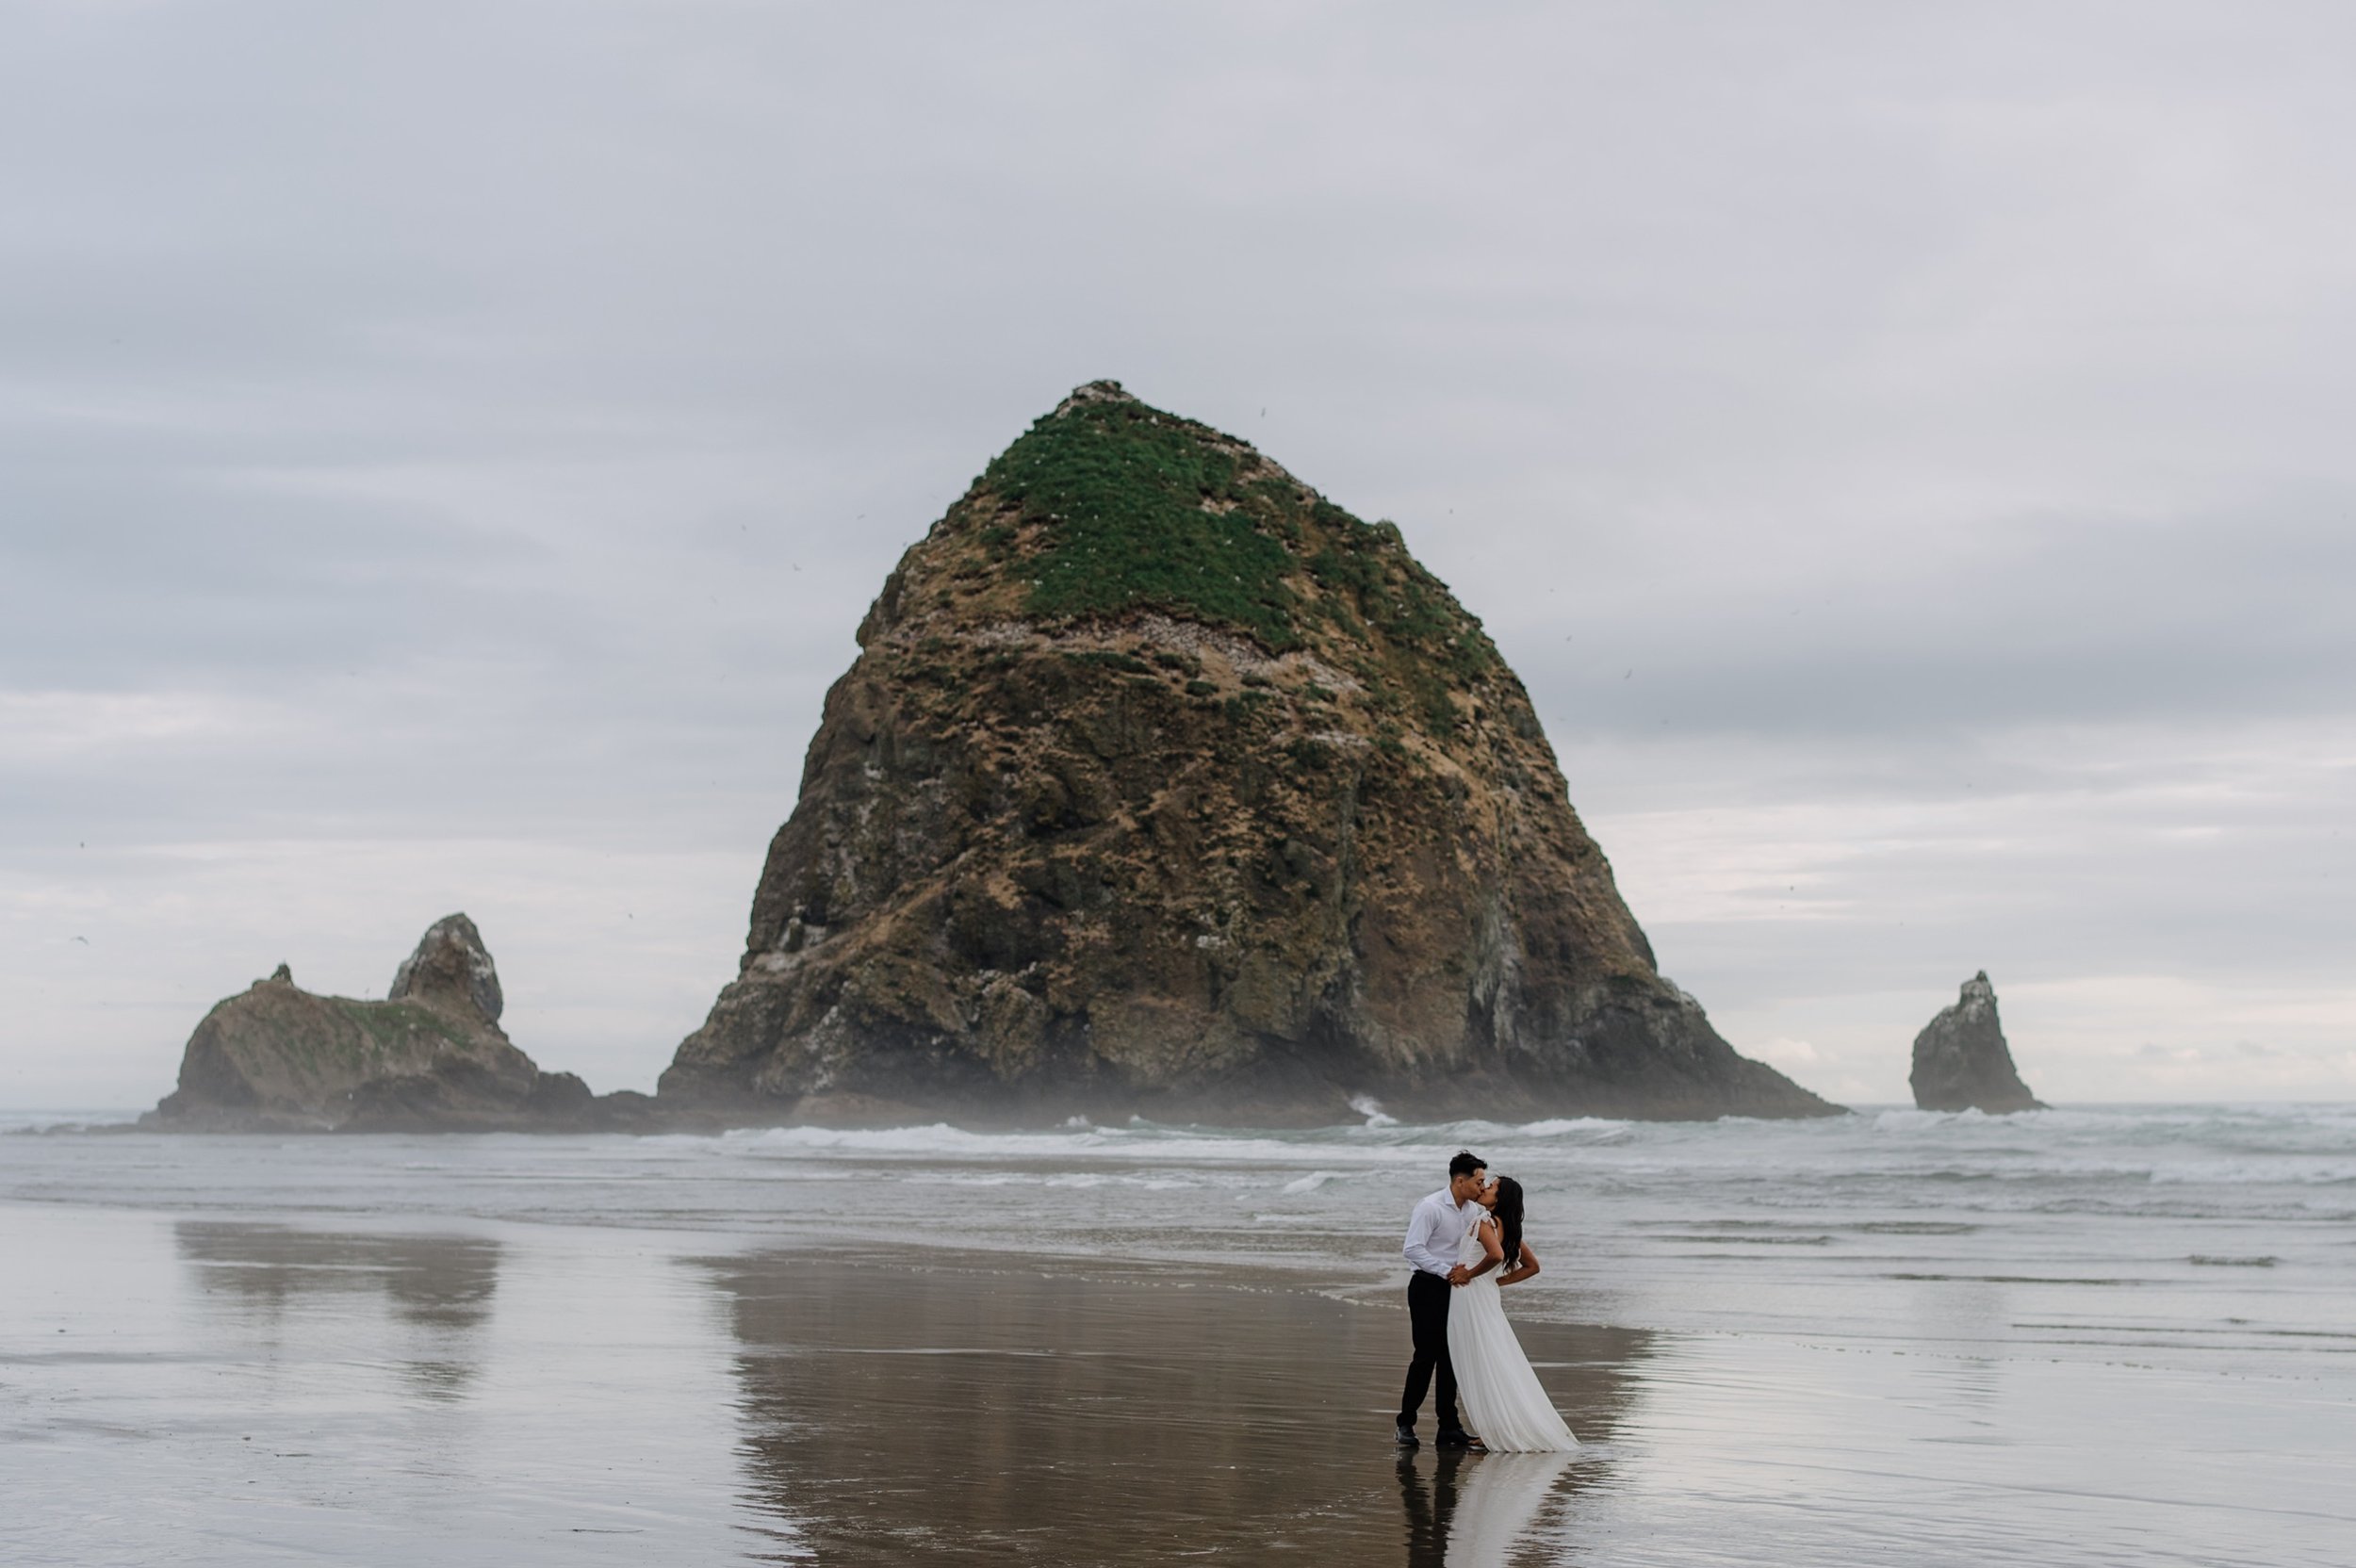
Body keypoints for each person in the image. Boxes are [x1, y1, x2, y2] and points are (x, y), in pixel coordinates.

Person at [1445, 1176, 1578, 1451]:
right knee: (1493, 1359)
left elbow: (1494, 1255)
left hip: (1470, 1295)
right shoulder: (1507, 1226)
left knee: (1480, 1362)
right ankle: (1498, 1427)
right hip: (1484, 1295)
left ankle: (1496, 1431)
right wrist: (1494, 1282)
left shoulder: (1484, 1223)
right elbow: (1532, 1266)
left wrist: (1470, 1274)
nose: (1484, 1188)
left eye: (1490, 1187)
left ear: (1500, 1199)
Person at [1398, 1151, 1487, 1448]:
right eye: (1479, 1181)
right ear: (1460, 1180)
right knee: (1425, 1357)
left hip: (1457, 1289)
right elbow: (1412, 1249)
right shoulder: (1430, 1207)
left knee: (1452, 1358)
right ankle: (1405, 1424)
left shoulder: (1473, 1210)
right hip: (1427, 1287)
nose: (1482, 1188)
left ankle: (1448, 1428)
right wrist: (1447, 1271)